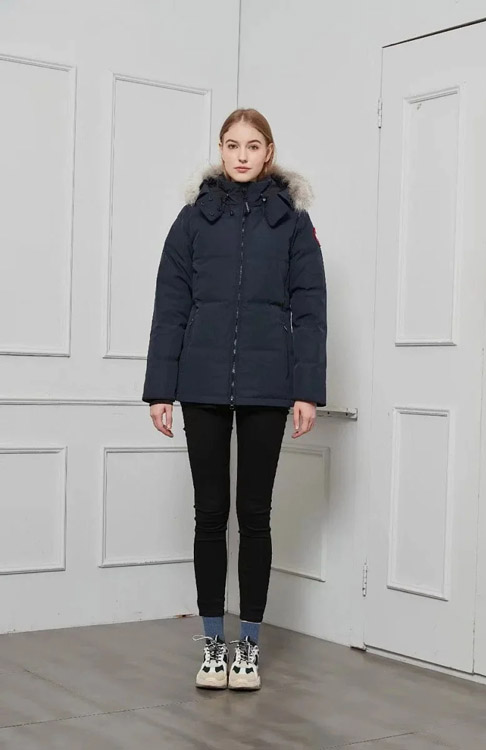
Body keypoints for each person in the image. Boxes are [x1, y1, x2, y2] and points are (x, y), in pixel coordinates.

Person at [142, 108, 327, 691]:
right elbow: (170, 306)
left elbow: (311, 310)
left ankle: (247, 648)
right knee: (209, 515)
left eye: (252, 145)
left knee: (255, 517)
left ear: (268, 152)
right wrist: (160, 390)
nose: (241, 155)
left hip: (268, 387)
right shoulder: (193, 220)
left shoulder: (292, 223)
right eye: (231, 144)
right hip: (200, 386)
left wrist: (306, 391)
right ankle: (212, 646)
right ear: (220, 150)